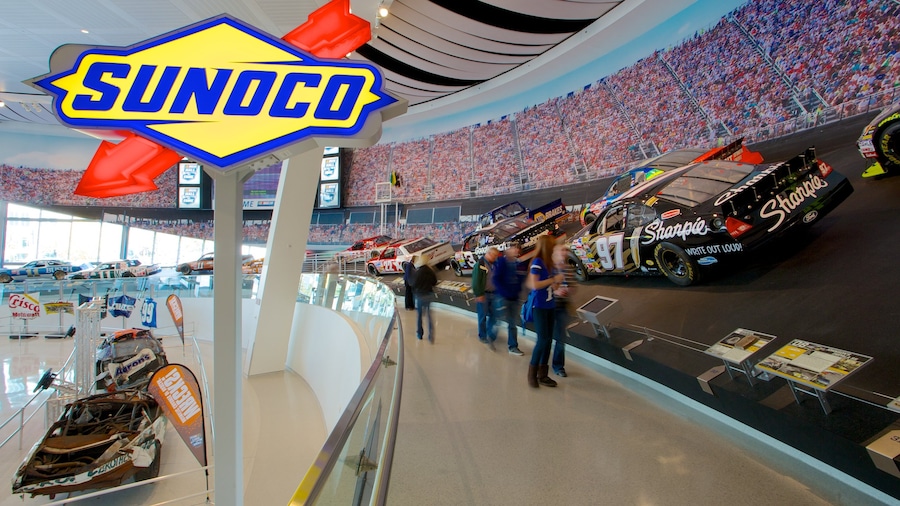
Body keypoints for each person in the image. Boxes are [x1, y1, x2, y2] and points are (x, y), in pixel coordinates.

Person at [527, 235, 564, 388]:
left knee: (548, 340)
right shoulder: (537, 262)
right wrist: (552, 280)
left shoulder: (550, 264)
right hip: (540, 307)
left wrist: (557, 282)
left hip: (550, 306)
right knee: (542, 340)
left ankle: (543, 374)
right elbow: (534, 284)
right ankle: (531, 374)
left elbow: (553, 287)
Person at [492, 242, 525, 356]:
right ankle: (491, 336)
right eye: (513, 248)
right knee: (498, 320)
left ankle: (513, 346)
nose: (515, 251)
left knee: (512, 323)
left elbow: (521, 278)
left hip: (514, 298)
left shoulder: (519, 264)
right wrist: (503, 292)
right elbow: (496, 279)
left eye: (517, 249)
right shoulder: (502, 262)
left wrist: (517, 290)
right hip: (503, 297)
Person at [551, 243, 575, 377]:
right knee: (546, 338)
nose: (564, 253)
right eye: (562, 250)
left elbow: (573, 286)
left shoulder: (567, 269)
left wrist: (568, 290)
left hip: (562, 307)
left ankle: (558, 366)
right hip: (548, 307)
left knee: (560, 339)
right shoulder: (549, 268)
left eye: (566, 251)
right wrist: (556, 291)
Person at [471, 247, 500, 350]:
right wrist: (479, 294)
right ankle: (482, 335)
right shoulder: (480, 265)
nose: (496, 258)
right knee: (482, 316)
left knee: (494, 315)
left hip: (494, 294)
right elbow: (475, 282)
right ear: (489, 254)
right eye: (494, 255)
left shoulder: (494, 264)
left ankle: (490, 333)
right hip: (484, 294)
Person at [410, 255, 438, 342]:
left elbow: (414, 283)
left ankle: (420, 333)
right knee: (429, 316)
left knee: (420, 316)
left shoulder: (418, 272)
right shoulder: (430, 271)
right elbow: (434, 281)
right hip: (429, 294)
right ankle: (430, 335)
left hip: (420, 295)